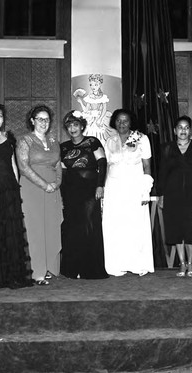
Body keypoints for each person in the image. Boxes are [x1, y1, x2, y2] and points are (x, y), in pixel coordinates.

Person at [0, 103, 32, 289]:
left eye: (0, 116)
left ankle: (13, 275)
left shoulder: (8, 138)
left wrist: (16, 186)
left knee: (11, 231)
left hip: (9, 188)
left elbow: (13, 164)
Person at [102, 109, 154, 276]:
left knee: (135, 226)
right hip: (114, 190)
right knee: (116, 227)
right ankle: (117, 265)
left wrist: (146, 191)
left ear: (131, 122)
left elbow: (147, 166)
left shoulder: (141, 138)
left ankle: (137, 264)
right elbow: (105, 167)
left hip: (135, 190)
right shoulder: (109, 140)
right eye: (118, 121)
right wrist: (102, 192)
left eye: (125, 121)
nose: (121, 124)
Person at [16, 105, 62, 285]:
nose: (44, 122)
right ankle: (37, 272)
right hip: (32, 188)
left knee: (51, 226)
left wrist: (56, 183)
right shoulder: (24, 140)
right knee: (34, 229)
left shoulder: (53, 141)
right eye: (40, 119)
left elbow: (58, 164)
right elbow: (23, 168)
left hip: (52, 189)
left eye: (47, 119)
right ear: (32, 121)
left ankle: (50, 267)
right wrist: (44, 185)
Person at [59, 110, 108, 279]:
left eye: (76, 125)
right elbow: (62, 172)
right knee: (72, 227)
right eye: (69, 125)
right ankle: (73, 269)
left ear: (82, 126)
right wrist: (61, 194)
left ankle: (90, 269)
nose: (72, 128)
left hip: (90, 190)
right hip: (70, 191)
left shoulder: (92, 142)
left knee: (89, 226)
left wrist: (100, 185)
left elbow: (102, 163)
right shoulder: (63, 147)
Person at [157, 116, 192, 277]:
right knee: (176, 227)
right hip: (172, 194)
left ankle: (191, 262)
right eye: (180, 127)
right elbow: (162, 173)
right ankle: (181, 263)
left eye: (186, 127)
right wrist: (161, 195)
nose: (183, 130)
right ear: (174, 130)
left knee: (191, 228)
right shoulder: (166, 148)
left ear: (190, 130)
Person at [73, 74, 112, 143]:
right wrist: (81, 102)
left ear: (100, 85)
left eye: (96, 85)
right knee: (89, 132)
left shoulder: (103, 97)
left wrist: (100, 119)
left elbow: (104, 110)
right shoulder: (89, 97)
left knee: (100, 134)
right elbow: (86, 110)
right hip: (91, 117)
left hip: (100, 117)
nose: (93, 87)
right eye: (91, 85)